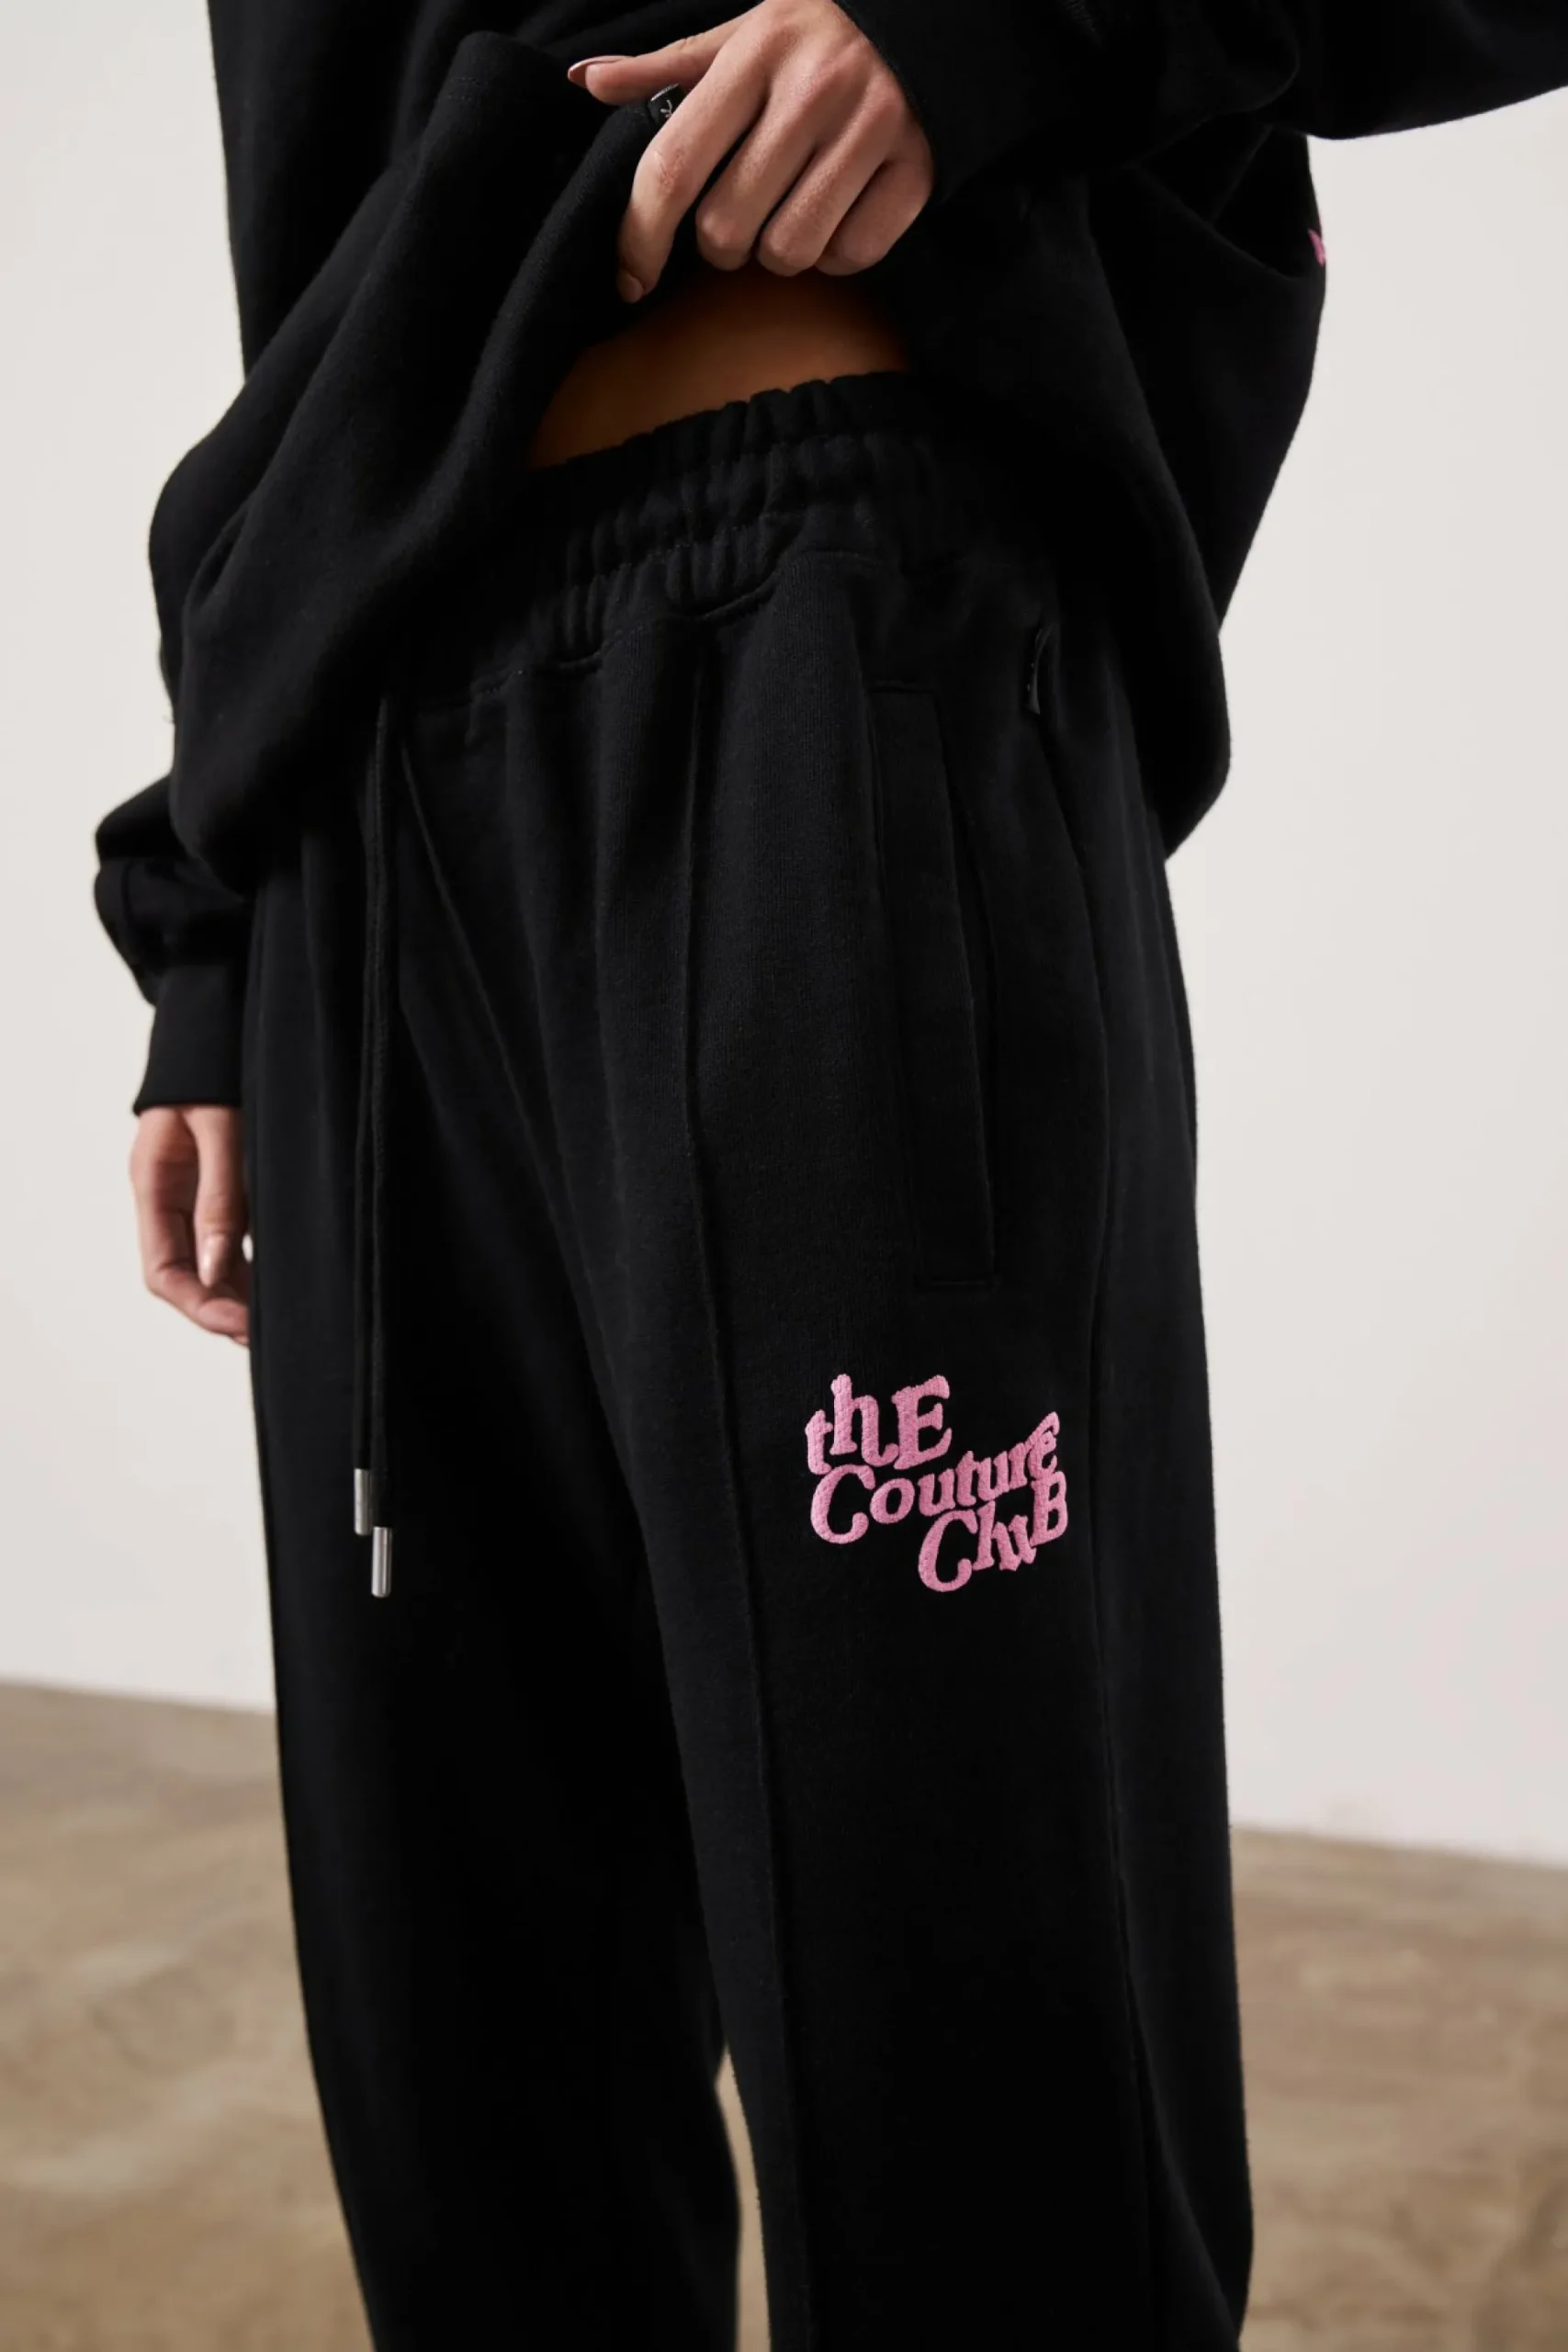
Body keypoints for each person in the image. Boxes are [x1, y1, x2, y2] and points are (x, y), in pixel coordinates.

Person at [93, 4, 1568, 2345]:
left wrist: (991, 25)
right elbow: (332, 253)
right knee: (476, 2109)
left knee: (973, 2096)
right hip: (358, 812)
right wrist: (215, 893)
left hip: (826, 665)